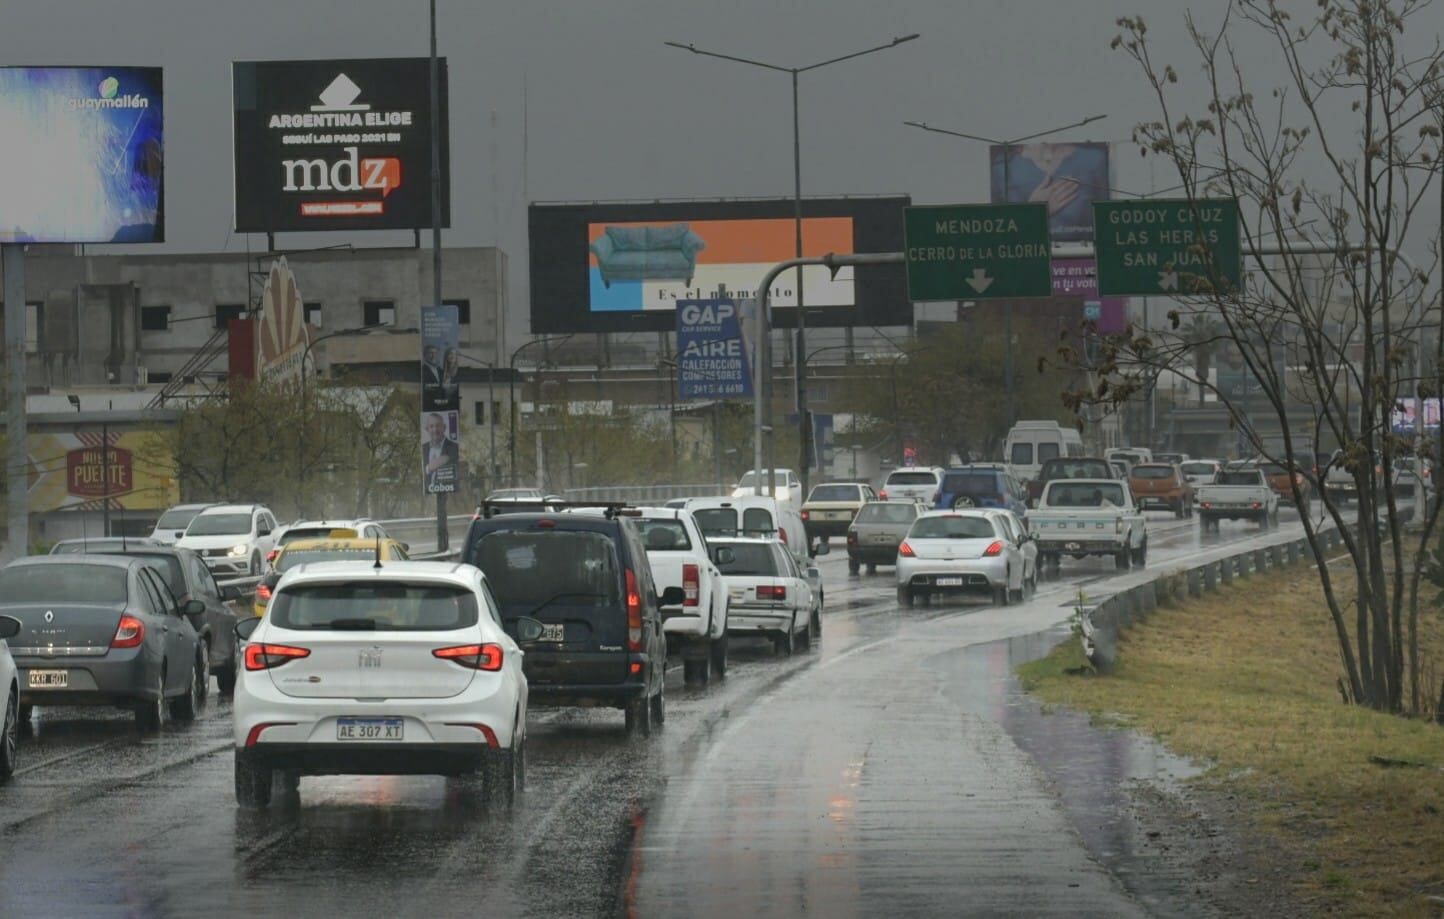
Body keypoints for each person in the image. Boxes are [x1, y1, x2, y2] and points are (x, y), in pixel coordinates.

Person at [422, 413, 459, 492]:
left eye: (438, 425)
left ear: (444, 427)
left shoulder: (454, 447)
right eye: (431, 426)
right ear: (427, 429)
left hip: (449, 493)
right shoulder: (423, 448)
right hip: (428, 493)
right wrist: (428, 468)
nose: (435, 429)